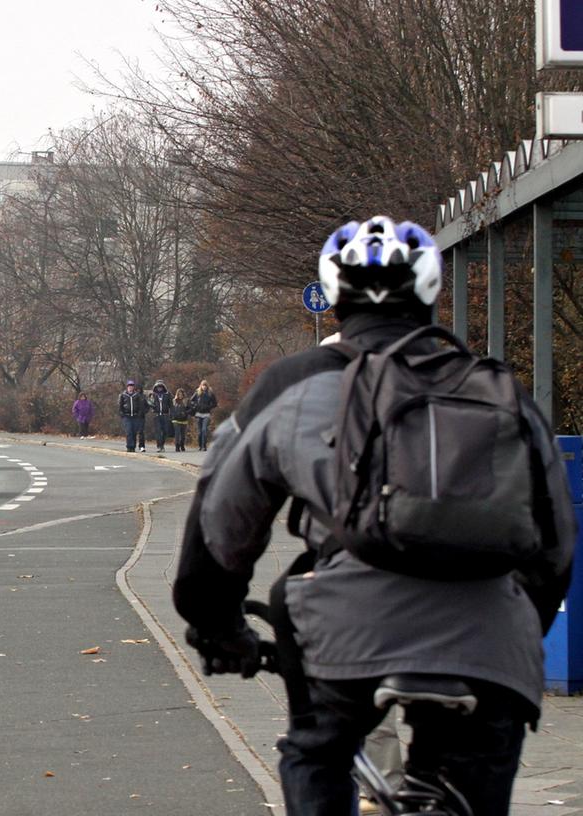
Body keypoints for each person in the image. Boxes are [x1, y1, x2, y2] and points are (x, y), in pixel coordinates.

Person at [172, 216, 575, 816]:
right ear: (431, 291)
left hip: (345, 625)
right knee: (473, 781)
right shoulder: (495, 390)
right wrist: (515, 634)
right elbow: (555, 544)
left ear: (333, 296)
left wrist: (217, 623)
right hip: (488, 635)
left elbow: (220, 521)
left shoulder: (295, 382)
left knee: (316, 750)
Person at [118, 379, 147, 452]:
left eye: (132, 386)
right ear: (127, 387)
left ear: (133, 387)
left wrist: (139, 413)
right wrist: (122, 413)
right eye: (129, 386)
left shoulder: (137, 395)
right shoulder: (123, 395)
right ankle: (129, 446)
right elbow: (120, 405)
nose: (130, 387)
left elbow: (140, 405)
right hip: (126, 416)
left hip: (135, 416)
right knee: (129, 431)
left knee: (134, 432)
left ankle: (133, 446)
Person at [189, 380, 217, 450]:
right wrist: (196, 405)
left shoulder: (210, 393)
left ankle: (204, 446)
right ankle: (200, 445)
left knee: (204, 430)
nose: (204, 387)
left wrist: (209, 407)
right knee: (200, 432)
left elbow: (215, 403)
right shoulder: (197, 392)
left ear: (207, 386)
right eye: (203, 385)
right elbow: (191, 401)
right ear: (201, 386)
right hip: (198, 414)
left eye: (205, 385)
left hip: (206, 414)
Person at [147, 380, 173, 452]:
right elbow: (149, 402)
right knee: (158, 431)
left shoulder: (167, 394)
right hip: (157, 415)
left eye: (161, 387)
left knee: (165, 431)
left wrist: (172, 414)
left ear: (163, 387)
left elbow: (171, 405)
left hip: (165, 415)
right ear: (156, 387)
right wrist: (152, 405)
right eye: (158, 387)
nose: (159, 388)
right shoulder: (153, 395)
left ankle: (162, 444)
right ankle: (160, 446)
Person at [171, 388, 191, 452]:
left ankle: (182, 444)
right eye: (179, 394)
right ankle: (177, 446)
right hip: (176, 419)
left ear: (183, 394)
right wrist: (172, 415)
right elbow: (171, 410)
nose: (180, 395)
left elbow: (190, 409)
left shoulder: (186, 401)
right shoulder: (174, 401)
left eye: (181, 394)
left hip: (184, 419)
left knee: (183, 435)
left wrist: (185, 413)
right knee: (177, 433)